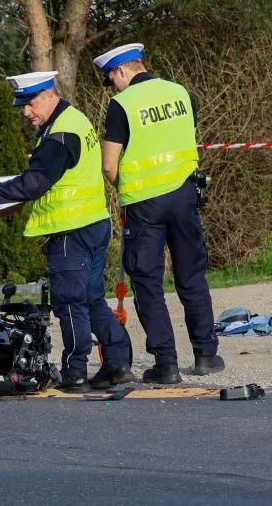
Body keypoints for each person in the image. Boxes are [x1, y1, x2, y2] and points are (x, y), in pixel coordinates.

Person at [0, 71, 132, 390]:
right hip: (94, 224)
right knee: (91, 299)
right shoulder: (74, 120)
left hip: (70, 232)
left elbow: (34, 183)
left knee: (71, 302)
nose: (25, 111)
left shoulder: (59, 135)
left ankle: (75, 372)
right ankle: (117, 363)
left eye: (30, 103)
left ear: (48, 94)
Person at [94, 43, 224, 384]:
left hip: (144, 204)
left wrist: (124, 185)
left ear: (121, 71)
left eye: (111, 79)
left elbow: (109, 166)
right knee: (191, 275)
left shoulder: (121, 105)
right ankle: (206, 354)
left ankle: (166, 363)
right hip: (184, 195)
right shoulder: (180, 93)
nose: (113, 86)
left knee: (148, 282)